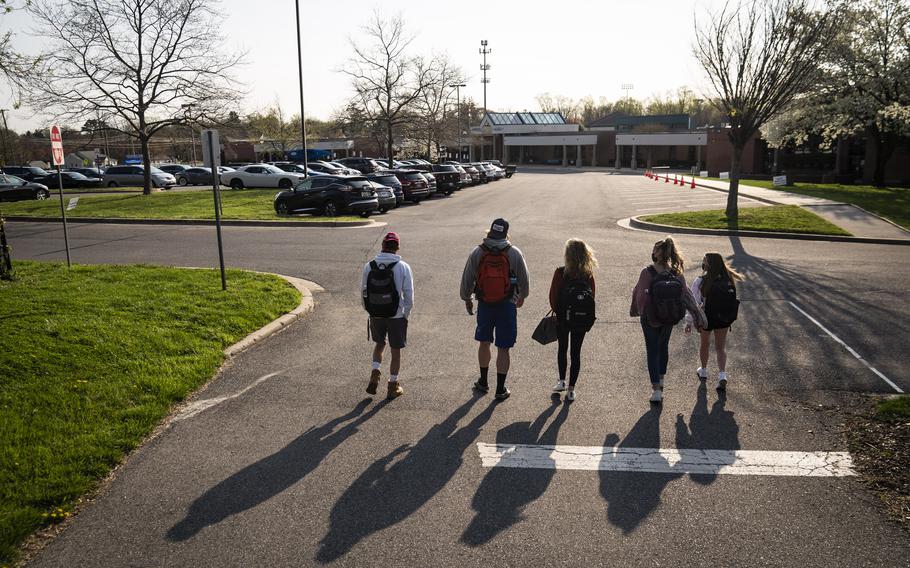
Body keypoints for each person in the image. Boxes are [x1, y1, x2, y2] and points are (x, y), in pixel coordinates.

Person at [460, 218, 530, 401]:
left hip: (485, 303)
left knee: (484, 342)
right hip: (507, 305)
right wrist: (521, 296)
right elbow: (524, 280)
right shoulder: (514, 253)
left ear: (490, 232)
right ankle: (500, 389)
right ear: (506, 234)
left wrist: (467, 297)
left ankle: (483, 382)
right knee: (503, 347)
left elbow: (467, 278)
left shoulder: (478, 252)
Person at [631, 237, 706, 403]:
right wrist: (696, 315)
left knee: (652, 350)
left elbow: (640, 295)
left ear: (657, 253)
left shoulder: (647, 272)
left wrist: (640, 312)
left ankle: (656, 390)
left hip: (650, 318)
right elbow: (686, 295)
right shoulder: (676, 273)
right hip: (669, 317)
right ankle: (662, 380)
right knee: (663, 346)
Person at [362, 232, 413, 400]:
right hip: (396, 315)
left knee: (379, 344)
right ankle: (393, 385)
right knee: (395, 351)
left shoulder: (369, 266)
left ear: (382, 246)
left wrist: (369, 310)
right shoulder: (403, 267)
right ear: (397, 247)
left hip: (375, 313)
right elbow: (409, 295)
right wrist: (405, 314)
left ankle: (375, 373)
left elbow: (364, 292)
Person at [685, 252, 744, 391]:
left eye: (704, 261)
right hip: (724, 318)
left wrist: (688, 322)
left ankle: (704, 370)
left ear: (707, 264)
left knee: (704, 344)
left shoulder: (701, 281)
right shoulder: (729, 278)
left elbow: (693, 303)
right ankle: (722, 375)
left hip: (707, 318)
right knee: (720, 347)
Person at [549, 239, 598, 402]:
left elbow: (553, 297)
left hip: (563, 318)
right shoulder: (588, 275)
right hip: (582, 319)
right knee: (576, 353)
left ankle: (561, 381)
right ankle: (571, 389)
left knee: (562, 349)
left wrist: (559, 311)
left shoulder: (560, 272)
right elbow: (592, 296)